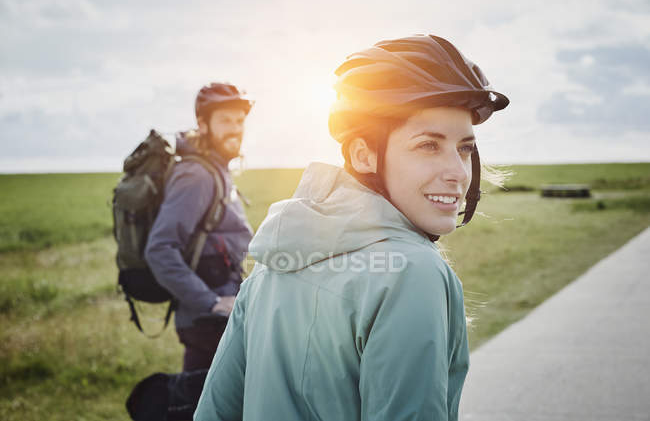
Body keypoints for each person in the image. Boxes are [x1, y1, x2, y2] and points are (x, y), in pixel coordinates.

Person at [194, 34, 509, 420]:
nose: (458, 173)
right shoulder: (413, 272)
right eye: (429, 145)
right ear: (364, 155)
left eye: (464, 148)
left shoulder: (277, 255)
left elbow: (214, 412)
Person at [144, 82, 254, 372]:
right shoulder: (196, 175)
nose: (235, 128)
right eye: (225, 120)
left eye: (240, 121)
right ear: (203, 125)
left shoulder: (215, 169)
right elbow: (160, 249)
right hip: (208, 324)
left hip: (218, 322)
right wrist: (212, 303)